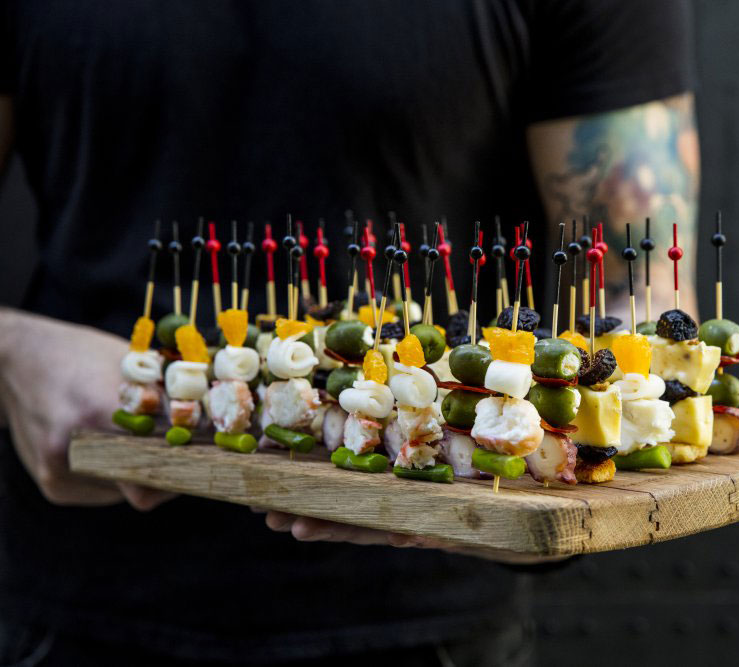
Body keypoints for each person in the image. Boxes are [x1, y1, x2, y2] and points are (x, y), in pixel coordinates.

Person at [0, 1, 698, 664]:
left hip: (434, 615)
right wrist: (12, 349)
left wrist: (562, 475)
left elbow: (639, 286)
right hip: (68, 598)